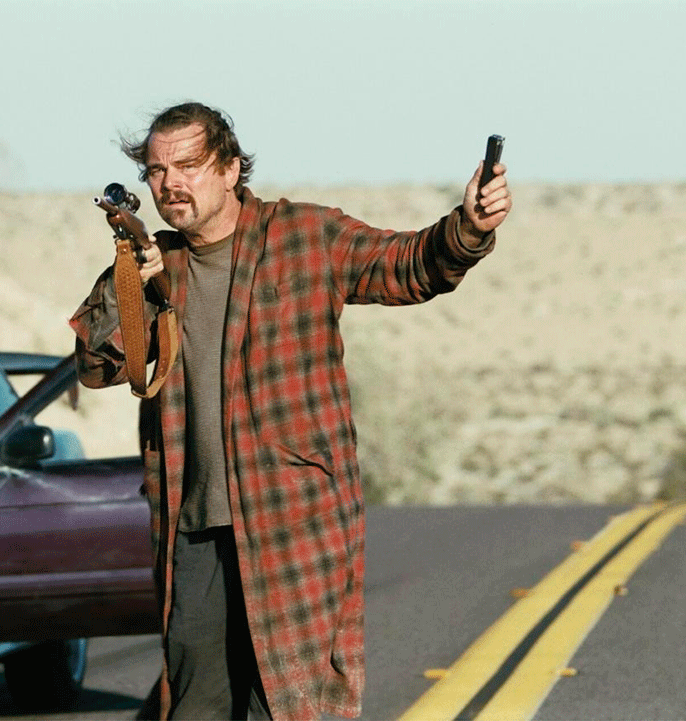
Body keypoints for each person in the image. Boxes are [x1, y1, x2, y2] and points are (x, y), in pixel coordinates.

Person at [70, 102, 512, 721]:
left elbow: (410, 265)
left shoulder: (304, 236)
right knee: (195, 703)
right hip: (194, 528)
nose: (170, 183)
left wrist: (468, 227)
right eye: (157, 170)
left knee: (287, 704)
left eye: (189, 165)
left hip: (292, 522)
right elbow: (96, 366)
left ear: (230, 169)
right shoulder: (155, 265)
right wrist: (129, 282)